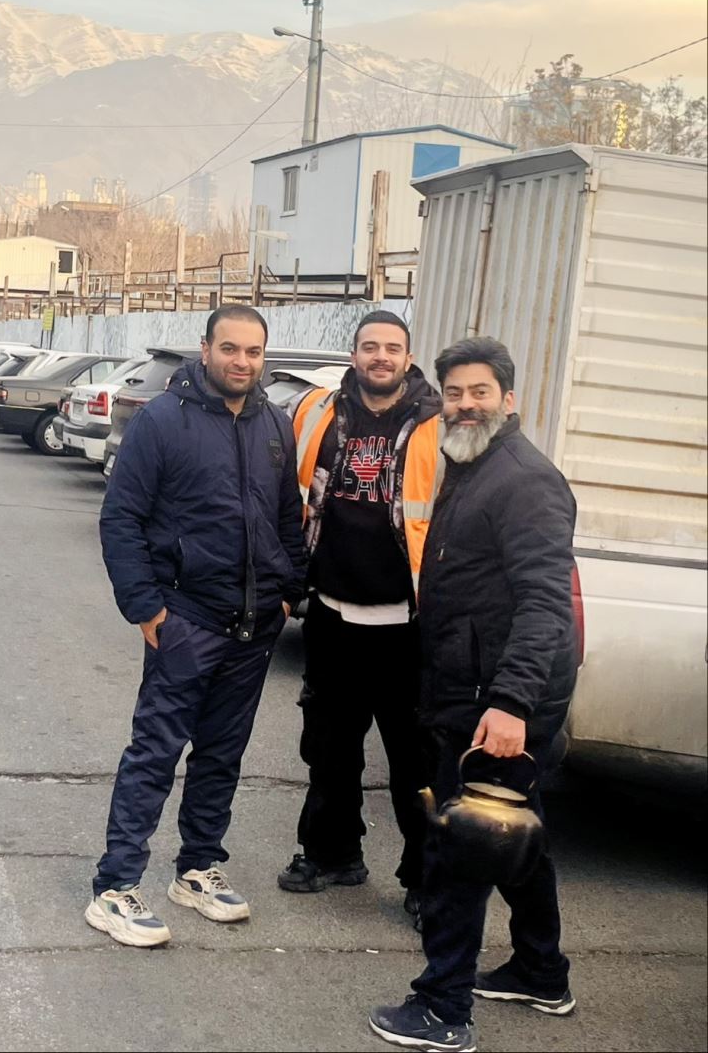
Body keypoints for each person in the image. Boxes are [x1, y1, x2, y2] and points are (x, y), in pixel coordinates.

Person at [369, 337, 579, 1053]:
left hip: (496, 698)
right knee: (515, 829)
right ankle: (540, 971)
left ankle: (442, 1009)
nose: (464, 405)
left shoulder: (525, 481)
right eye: (454, 393)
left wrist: (511, 703)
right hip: (474, 684)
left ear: (508, 399)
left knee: (457, 847)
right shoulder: (471, 463)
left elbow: (545, 604)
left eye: (479, 392)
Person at [89, 305, 307, 948]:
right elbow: (121, 518)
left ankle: (197, 869)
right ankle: (115, 887)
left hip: (253, 624)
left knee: (221, 754)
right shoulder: (163, 420)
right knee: (155, 752)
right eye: (230, 348)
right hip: (186, 618)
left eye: (253, 352)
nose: (242, 361)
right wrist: (146, 607)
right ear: (206, 349)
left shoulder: (275, 424)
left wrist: (288, 592)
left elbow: (288, 516)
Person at [279, 311, 439, 922]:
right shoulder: (317, 412)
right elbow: (287, 496)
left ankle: (424, 881)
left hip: (407, 626)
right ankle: (332, 854)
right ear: (354, 355)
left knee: (415, 762)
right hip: (332, 615)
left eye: (392, 348)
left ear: (408, 357)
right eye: (370, 346)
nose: (381, 357)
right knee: (329, 748)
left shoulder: (436, 423)